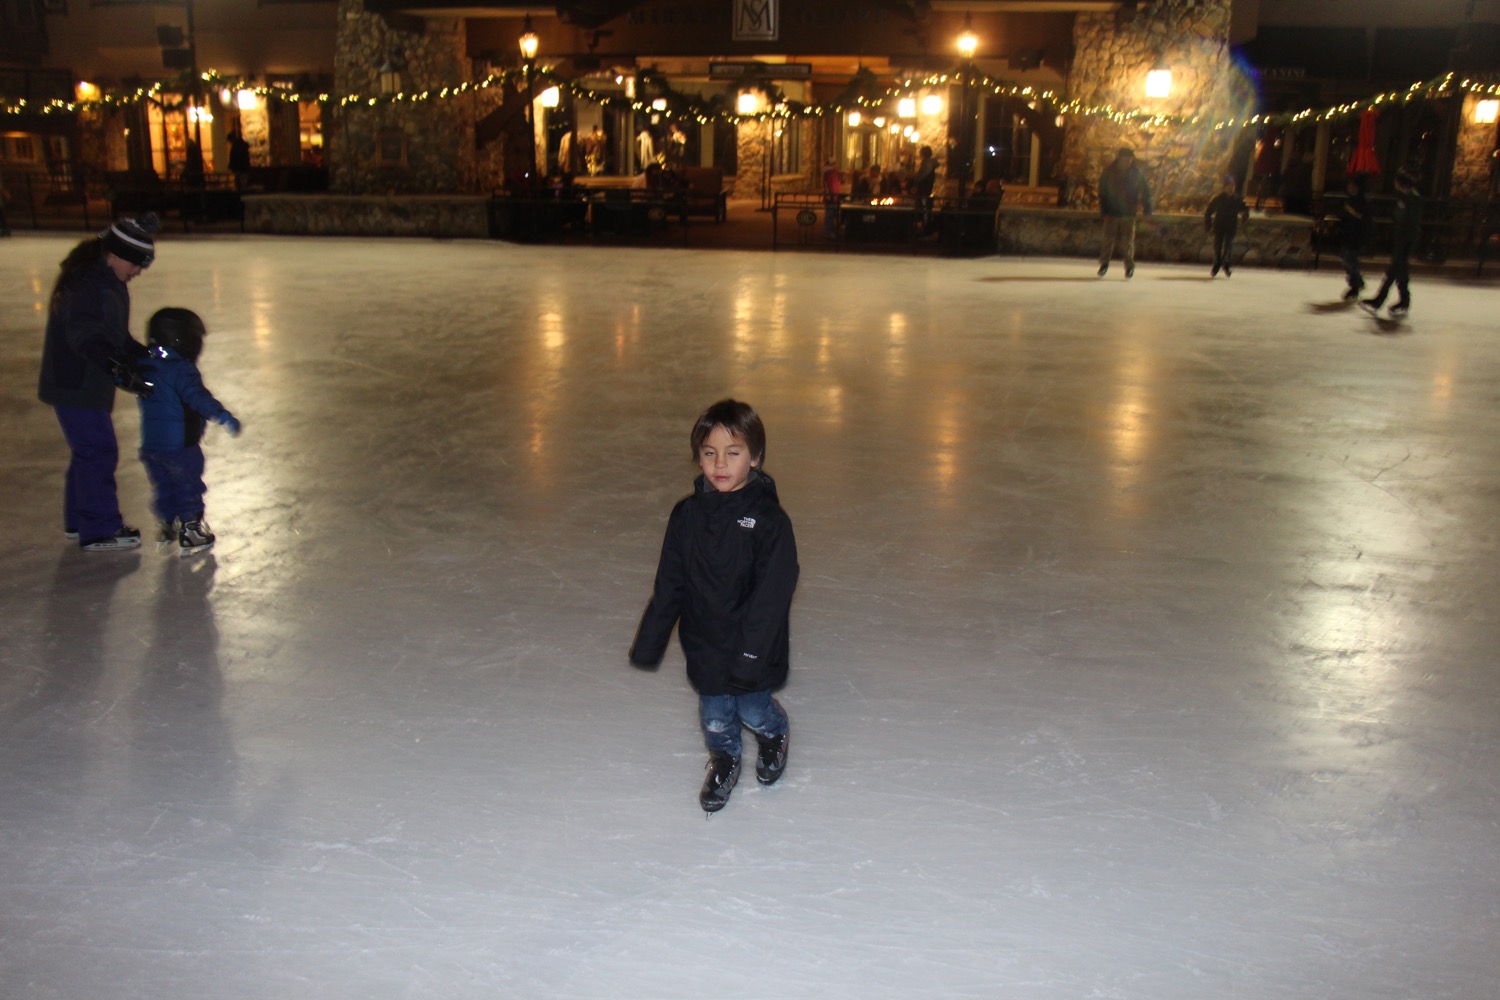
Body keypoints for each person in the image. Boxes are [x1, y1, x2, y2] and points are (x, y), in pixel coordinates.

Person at [629, 399, 799, 813]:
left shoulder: (769, 522)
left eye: (733, 452)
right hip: (705, 642)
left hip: (753, 645)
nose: (720, 464)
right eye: (709, 453)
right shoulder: (686, 516)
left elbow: (772, 597)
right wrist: (650, 641)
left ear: (755, 458)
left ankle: (774, 732)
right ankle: (725, 758)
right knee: (716, 718)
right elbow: (670, 583)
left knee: (753, 709)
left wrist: (751, 654)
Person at [37, 214, 161, 551]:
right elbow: (85, 334)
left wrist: (141, 355)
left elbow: (113, 335)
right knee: (98, 450)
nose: (138, 272)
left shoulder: (107, 280)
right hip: (75, 382)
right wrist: (113, 361)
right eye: (136, 264)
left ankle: (79, 521)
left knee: (87, 451)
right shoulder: (87, 284)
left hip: (83, 382)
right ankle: (99, 528)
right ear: (117, 255)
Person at [136, 307, 241, 555]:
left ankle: (166, 525)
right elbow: (197, 397)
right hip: (180, 447)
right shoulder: (180, 369)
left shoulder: (145, 366)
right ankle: (191, 530)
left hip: (151, 447)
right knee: (187, 486)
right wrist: (222, 415)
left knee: (163, 486)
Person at [1362, 167, 1424, 319]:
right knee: (1401, 272)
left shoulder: (1413, 198)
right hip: (1401, 239)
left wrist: (1404, 241)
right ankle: (1404, 300)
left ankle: (1380, 299)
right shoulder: (1404, 196)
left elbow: (1410, 222)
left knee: (1392, 272)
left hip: (1406, 241)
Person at [1097, 146, 1153, 278]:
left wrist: (1147, 208)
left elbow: (1145, 191)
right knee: (1108, 239)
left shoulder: (1137, 173)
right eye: (1124, 159)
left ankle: (1129, 266)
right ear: (1119, 159)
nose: (1127, 162)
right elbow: (1102, 192)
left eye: (1129, 159)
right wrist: (1104, 209)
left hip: (1128, 212)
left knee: (1127, 242)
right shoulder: (1109, 172)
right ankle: (1104, 264)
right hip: (1112, 211)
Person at [1203, 174, 1248, 277]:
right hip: (1219, 226)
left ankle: (1226, 263)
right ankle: (1217, 264)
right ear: (1225, 187)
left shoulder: (1237, 199)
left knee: (1229, 246)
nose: (1231, 188)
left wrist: (1245, 214)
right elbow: (1209, 210)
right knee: (1218, 246)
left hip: (1231, 226)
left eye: (1233, 186)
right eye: (1229, 186)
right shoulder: (1219, 199)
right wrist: (1207, 221)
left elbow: (1244, 209)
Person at [1338, 174, 1372, 301]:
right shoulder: (1350, 200)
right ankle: (1357, 281)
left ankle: (1355, 285)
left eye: (1352, 185)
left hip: (1356, 236)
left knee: (1350, 260)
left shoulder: (1363, 202)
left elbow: (1365, 222)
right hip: (1347, 235)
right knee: (1346, 260)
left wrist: (1364, 237)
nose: (1350, 187)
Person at [913, 145, 938, 231]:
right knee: (924, 208)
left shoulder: (927, 165)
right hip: (925, 190)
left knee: (924, 209)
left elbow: (920, 177)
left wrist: (915, 181)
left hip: (924, 190)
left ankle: (925, 227)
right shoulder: (929, 164)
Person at [822, 157, 841, 239]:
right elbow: (833, 186)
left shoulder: (828, 173)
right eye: (836, 163)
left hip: (830, 197)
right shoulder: (831, 174)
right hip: (831, 198)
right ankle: (828, 232)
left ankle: (829, 232)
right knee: (830, 216)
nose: (837, 165)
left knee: (830, 215)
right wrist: (834, 196)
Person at [227, 126, 252, 191]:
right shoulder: (242, 145)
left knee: (240, 182)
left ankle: (241, 192)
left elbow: (234, 158)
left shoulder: (236, 147)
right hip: (243, 168)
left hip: (239, 168)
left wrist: (231, 166)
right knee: (242, 182)